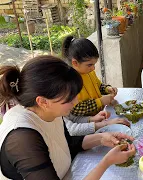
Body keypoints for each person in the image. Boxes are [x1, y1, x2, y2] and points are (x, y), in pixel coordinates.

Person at [0, 56, 136, 180]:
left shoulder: (49, 111)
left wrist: (102, 138)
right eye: (69, 99)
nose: (76, 101)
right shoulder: (22, 139)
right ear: (43, 101)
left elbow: (68, 143)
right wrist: (106, 162)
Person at [62, 36, 118, 117]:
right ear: (75, 63)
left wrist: (107, 89)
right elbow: (76, 109)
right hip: (87, 123)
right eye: (89, 65)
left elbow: (98, 86)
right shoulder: (70, 81)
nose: (93, 68)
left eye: (94, 64)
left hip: (100, 116)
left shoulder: (89, 72)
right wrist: (100, 102)